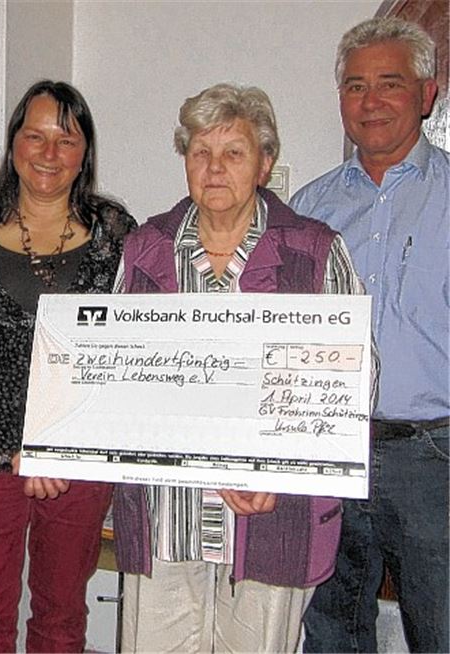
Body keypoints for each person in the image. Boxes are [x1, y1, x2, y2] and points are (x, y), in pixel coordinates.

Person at [111, 83, 367, 652]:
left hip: (272, 513)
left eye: (234, 152)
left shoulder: (314, 252)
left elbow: (352, 380)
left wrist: (276, 468)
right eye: (200, 151)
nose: (215, 168)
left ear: (265, 163)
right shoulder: (145, 249)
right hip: (167, 515)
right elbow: (114, 377)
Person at [0, 80, 136, 652]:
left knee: (60, 616)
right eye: (35, 135)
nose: (49, 153)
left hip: (80, 455)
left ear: (84, 152)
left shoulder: (119, 234)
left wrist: (61, 445)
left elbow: (129, 353)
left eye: (66, 140)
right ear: (13, 143)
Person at [290, 17, 448, 653]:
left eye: (390, 83)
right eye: (356, 86)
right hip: (328, 449)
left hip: (433, 457)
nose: (371, 100)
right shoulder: (307, 209)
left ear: (427, 94)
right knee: (330, 632)